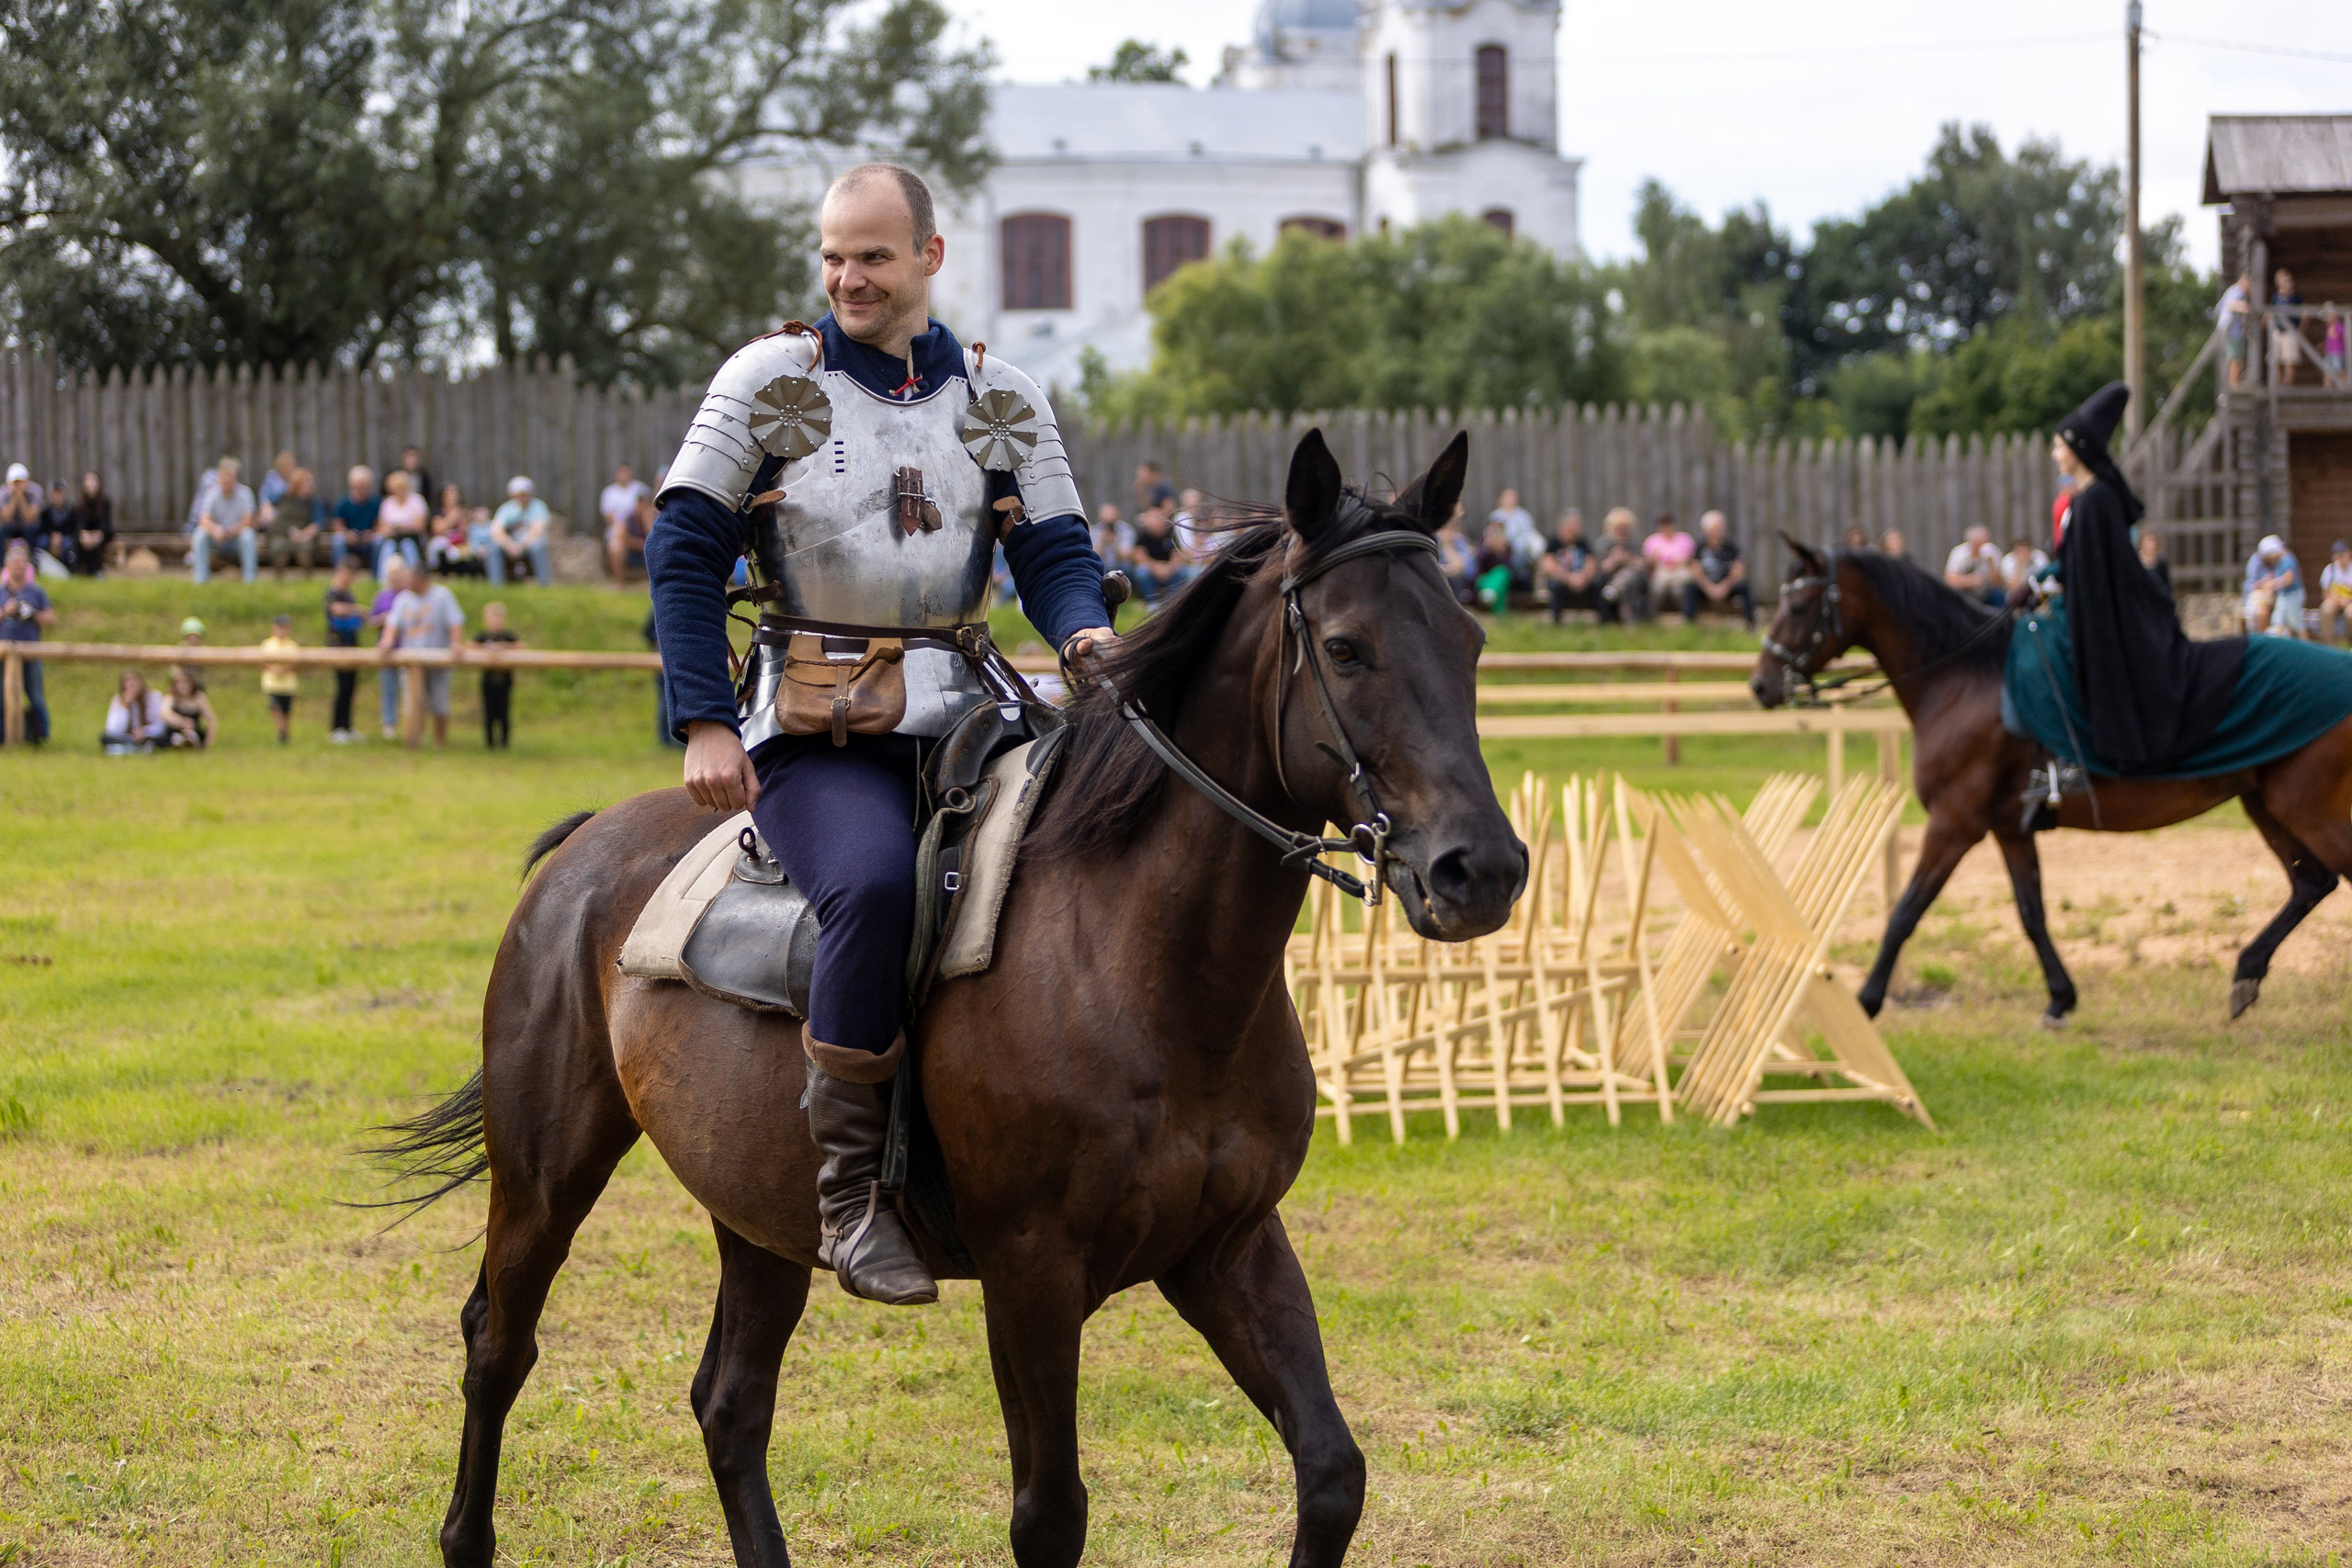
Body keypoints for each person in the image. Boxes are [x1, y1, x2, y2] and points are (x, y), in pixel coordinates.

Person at [647, 160, 1111, 1307]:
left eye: (871, 256)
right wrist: (704, 719)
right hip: (815, 726)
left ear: (929, 260)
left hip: (975, 711)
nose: (847, 278)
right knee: (869, 889)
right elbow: (684, 547)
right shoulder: (767, 381)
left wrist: (1089, 637)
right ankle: (851, 1200)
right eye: (833, 256)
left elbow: (1051, 553)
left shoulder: (1003, 397)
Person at [2037, 380, 2245, 776]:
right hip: (2088, 606)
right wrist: (2042, 579)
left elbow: (2094, 573)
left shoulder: (2097, 501)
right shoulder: (2087, 499)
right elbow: (2075, 560)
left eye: (2059, 446)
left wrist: (2062, 594)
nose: (2054, 454)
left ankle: (2079, 755)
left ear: (2078, 448)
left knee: (2052, 656)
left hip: (2108, 618)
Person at [381, 557, 466, 748]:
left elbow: (455, 622)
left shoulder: (442, 596)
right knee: (413, 703)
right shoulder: (404, 598)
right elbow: (392, 624)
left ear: (421, 579)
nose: (406, 581)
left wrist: (456, 643)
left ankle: (440, 742)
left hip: (438, 659)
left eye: (409, 578)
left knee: (439, 702)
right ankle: (413, 741)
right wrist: (387, 640)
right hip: (411, 660)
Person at [0, 543, 54, 743]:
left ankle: (42, 734)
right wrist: (6, 611)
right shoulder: (1, 592)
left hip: (31, 652)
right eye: (15, 563)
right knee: (2, 696)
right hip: (3, 653)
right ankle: (5, 734)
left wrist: (32, 614)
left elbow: (50, 619)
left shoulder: (36, 592)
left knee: (36, 695)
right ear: (7, 567)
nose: (19, 567)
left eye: (23, 563)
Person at [187, 456, 258, 584]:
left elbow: (248, 521)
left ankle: (250, 579)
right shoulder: (211, 494)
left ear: (235, 479)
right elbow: (203, 519)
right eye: (224, 478)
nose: (226, 482)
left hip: (236, 537)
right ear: (219, 478)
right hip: (217, 537)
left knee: (248, 535)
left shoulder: (245, 494)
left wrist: (231, 532)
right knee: (200, 534)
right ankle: (201, 579)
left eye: (229, 479)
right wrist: (215, 530)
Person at [1685, 511, 1752, 626]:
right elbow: (1695, 571)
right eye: (1714, 529)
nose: (1717, 532)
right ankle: (1689, 623)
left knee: (1745, 586)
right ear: (1705, 531)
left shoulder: (1731, 546)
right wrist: (1709, 588)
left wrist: (1724, 586)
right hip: (1706, 586)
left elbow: (1739, 570)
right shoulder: (1700, 546)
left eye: (1720, 529)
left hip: (1727, 585)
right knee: (1689, 587)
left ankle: (1750, 622)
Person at [324, 560, 366, 741]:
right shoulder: (333, 593)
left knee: (350, 686)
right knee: (342, 686)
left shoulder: (347, 593)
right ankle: (336, 728)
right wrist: (358, 610)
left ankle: (347, 727)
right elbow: (336, 610)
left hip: (351, 644)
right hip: (338, 646)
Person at [474, 601, 521, 748]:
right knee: (488, 713)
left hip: (505, 680)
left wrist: (503, 647)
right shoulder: (483, 636)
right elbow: (469, 645)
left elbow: (521, 646)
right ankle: (490, 744)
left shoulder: (507, 636)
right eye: (492, 618)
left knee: (504, 713)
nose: (495, 622)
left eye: (498, 618)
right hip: (488, 679)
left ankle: (505, 743)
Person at [489, 477, 552, 585]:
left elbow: (538, 530)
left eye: (524, 494)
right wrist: (509, 545)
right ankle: (496, 585)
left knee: (539, 546)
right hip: (510, 545)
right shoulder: (506, 509)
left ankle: (544, 584)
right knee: (493, 547)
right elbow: (496, 531)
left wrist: (521, 545)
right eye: (519, 494)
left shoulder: (538, 507)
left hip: (529, 544)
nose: (522, 497)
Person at [1537, 510, 1598, 622]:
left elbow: (1591, 562)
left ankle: (1605, 621)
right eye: (1575, 524)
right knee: (1556, 586)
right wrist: (1568, 578)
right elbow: (1548, 565)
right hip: (1561, 579)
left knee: (1598, 584)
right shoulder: (1553, 541)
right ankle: (1556, 621)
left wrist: (1583, 577)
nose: (1578, 528)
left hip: (1581, 579)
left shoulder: (1582, 541)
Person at [1127, 500, 1192, 606]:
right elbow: (1138, 555)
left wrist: (1169, 568)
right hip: (1151, 569)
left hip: (1169, 569)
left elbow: (1178, 554)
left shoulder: (1171, 533)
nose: (1158, 522)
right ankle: (1152, 603)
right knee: (1141, 572)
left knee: (1183, 571)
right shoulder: (1143, 535)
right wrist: (1156, 568)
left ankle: (1172, 602)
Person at [265, 467, 325, 578]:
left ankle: (307, 580)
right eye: (307, 483)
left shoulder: (314, 502)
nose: (310, 485)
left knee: (305, 552)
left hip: (304, 535)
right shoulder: (282, 497)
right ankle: (279, 579)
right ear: (297, 484)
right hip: (281, 533)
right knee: (278, 548)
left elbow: (318, 524)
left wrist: (303, 535)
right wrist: (268, 513)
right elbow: (266, 503)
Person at [368, 561, 406, 738]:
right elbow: (371, 621)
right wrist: (384, 619)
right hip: (387, 650)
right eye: (392, 575)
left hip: (406, 648)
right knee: (388, 687)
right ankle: (389, 724)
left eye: (398, 574)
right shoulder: (382, 596)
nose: (396, 578)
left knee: (409, 688)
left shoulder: (409, 597)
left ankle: (410, 722)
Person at [2242, 535, 2303, 637]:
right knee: (2266, 614)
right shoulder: (2256, 560)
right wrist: (2264, 584)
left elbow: (2290, 578)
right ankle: (2263, 640)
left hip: (2287, 596)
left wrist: (2273, 584)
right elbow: (2251, 585)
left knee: (2294, 624)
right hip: (2268, 596)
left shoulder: (2286, 559)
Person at [1595, 507, 1647, 623]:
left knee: (1630, 574)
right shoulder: (1604, 543)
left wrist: (1627, 558)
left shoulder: (1635, 541)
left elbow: (1642, 565)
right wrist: (1614, 559)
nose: (1622, 531)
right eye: (1619, 528)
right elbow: (1602, 568)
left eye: (1625, 528)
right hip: (1610, 576)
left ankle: (1615, 588)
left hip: (1635, 578)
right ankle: (1627, 620)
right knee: (1626, 581)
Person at [602, 464, 650, 587]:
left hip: (641, 532)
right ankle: (620, 584)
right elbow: (608, 516)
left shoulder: (640, 489)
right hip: (622, 530)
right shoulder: (610, 492)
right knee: (616, 545)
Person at [102, 669, 170, 753]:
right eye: (127, 680)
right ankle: (131, 748)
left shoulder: (154, 697)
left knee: (164, 737)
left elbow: (160, 726)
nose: (132, 684)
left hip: (148, 736)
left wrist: (144, 731)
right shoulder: (118, 700)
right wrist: (125, 707)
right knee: (104, 738)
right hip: (128, 737)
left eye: (134, 679)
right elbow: (112, 730)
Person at [1642, 513, 1696, 617]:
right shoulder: (1652, 541)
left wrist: (1682, 560)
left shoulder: (1684, 539)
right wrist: (1653, 559)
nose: (1666, 528)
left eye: (1668, 524)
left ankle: (1685, 615)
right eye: (1663, 525)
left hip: (1680, 570)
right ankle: (1651, 616)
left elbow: (1691, 560)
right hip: (1661, 571)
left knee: (1679, 589)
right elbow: (1648, 564)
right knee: (1657, 588)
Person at [376, 469, 429, 574]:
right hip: (393, 537)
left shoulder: (417, 501)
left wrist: (402, 527)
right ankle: (382, 577)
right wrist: (391, 529)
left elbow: (421, 525)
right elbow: (381, 527)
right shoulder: (387, 503)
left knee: (407, 545)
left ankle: (413, 574)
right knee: (388, 546)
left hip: (413, 537)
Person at [330, 466, 381, 572]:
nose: (361, 489)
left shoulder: (375, 503)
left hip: (368, 539)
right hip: (350, 538)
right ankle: (341, 573)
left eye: (364, 486)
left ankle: (376, 575)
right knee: (338, 540)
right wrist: (347, 534)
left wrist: (371, 533)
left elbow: (380, 523)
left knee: (378, 540)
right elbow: (336, 524)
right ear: (352, 486)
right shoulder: (343, 502)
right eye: (358, 486)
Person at [259, 613, 300, 744]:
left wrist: (284, 670)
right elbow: (261, 661)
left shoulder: (292, 646)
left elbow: (297, 663)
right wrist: (274, 670)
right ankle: (281, 730)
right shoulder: (268, 644)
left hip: (287, 683)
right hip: (273, 682)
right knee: (275, 707)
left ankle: (285, 733)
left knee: (286, 710)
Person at [1488, 489, 1543, 580]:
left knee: (1519, 559)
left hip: (1519, 549)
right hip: (1498, 548)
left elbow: (1528, 534)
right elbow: (1489, 534)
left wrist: (1513, 545)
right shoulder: (1495, 516)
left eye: (1512, 497)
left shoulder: (1523, 516)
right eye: (1507, 497)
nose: (1509, 500)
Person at [428, 483, 481, 576]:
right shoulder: (438, 513)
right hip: (445, 544)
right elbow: (439, 529)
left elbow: (465, 533)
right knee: (438, 544)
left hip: (460, 543)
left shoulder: (463, 512)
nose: (453, 496)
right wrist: (453, 516)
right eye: (449, 493)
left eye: (455, 493)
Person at [1943, 525, 2002, 607]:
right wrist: (1970, 581)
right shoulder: (1959, 553)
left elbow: (1998, 583)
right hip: (1965, 592)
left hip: (1987, 592)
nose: (1980, 546)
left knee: (1998, 595)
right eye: (1977, 543)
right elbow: (1949, 579)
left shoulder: (1993, 552)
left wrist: (1990, 563)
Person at [71, 473, 113, 577]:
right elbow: (78, 524)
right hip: (85, 535)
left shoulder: (105, 503)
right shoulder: (80, 504)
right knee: (76, 543)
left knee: (97, 545)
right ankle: (76, 571)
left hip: (100, 534)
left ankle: (96, 571)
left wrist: (98, 535)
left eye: (93, 480)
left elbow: (106, 524)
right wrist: (83, 535)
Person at [162, 665, 215, 748]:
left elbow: (211, 720)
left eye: (186, 683)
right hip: (174, 730)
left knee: (192, 734)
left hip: (194, 730)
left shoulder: (198, 697)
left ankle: (191, 741)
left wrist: (208, 742)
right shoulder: (171, 696)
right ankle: (179, 742)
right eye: (179, 683)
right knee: (175, 737)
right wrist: (182, 722)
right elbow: (164, 713)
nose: (183, 686)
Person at [2270, 268, 2305, 385]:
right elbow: (2270, 311)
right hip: (2277, 331)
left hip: (2291, 331)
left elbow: (2305, 314)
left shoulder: (2296, 297)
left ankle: (2287, 384)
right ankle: (2277, 384)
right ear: (2278, 282)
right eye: (2285, 280)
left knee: (2289, 359)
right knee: (2274, 358)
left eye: (2289, 280)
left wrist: (2300, 330)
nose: (2289, 282)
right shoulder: (2275, 297)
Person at [1471, 519, 1515, 612]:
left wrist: (1500, 552)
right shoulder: (1481, 544)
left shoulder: (1507, 547)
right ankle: (1497, 611)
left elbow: (1508, 568)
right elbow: (1480, 566)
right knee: (1495, 582)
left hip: (1501, 579)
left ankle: (1489, 594)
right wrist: (1487, 549)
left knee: (1501, 573)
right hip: (1483, 579)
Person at [0, 464, 43, 557]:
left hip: (28, 527)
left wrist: (21, 497)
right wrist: (14, 498)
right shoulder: (3, 492)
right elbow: (6, 519)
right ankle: (3, 564)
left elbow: (29, 518)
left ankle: (31, 561)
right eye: (15, 483)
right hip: (11, 526)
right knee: (3, 530)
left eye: (20, 482)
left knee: (30, 529)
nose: (18, 486)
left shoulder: (35, 490)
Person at [2315, 542, 2352, 646]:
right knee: (2326, 609)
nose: (2340, 559)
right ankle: (2328, 643)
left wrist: (2347, 601)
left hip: (2349, 601)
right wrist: (2337, 601)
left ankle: (2349, 642)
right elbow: (2325, 592)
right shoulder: (2330, 570)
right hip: (2334, 600)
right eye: (2337, 556)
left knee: (2350, 613)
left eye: (2343, 555)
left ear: (2349, 554)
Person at [2218, 272, 2250, 389]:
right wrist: (2245, 307)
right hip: (2233, 331)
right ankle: (2233, 384)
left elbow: (2218, 309)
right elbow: (2230, 305)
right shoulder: (2238, 291)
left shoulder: (2230, 290)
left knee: (2236, 358)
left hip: (2228, 329)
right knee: (2236, 359)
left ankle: (2234, 382)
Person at [2138, 528, 2174, 601]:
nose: (2151, 544)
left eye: (2153, 541)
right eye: (2148, 541)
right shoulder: (2136, 561)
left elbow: (2166, 584)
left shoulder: (2161, 563)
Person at [2323, 305, 2348, 390]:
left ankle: (2344, 386)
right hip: (2329, 351)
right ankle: (2327, 387)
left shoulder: (2339, 326)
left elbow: (2346, 335)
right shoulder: (2328, 327)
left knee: (2339, 370)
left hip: (2337, 351)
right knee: (2327, 369)